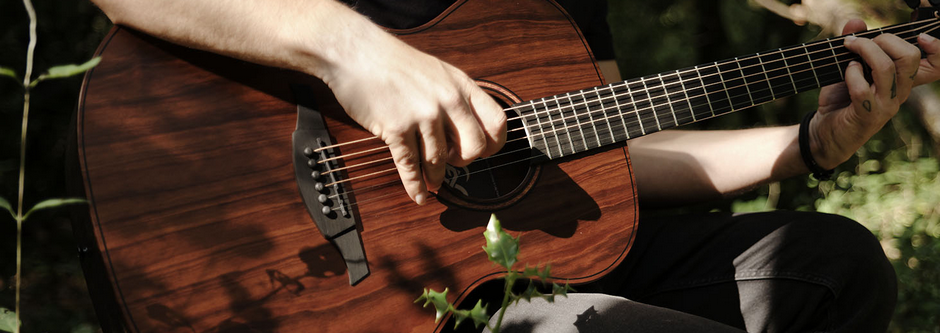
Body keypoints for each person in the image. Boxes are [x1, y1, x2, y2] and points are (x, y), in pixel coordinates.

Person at [87, 0, 940, 332]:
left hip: (517, 260)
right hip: (361, 293)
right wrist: (354, 54)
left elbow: (608, 152)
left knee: (836, 266)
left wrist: (807, 147)